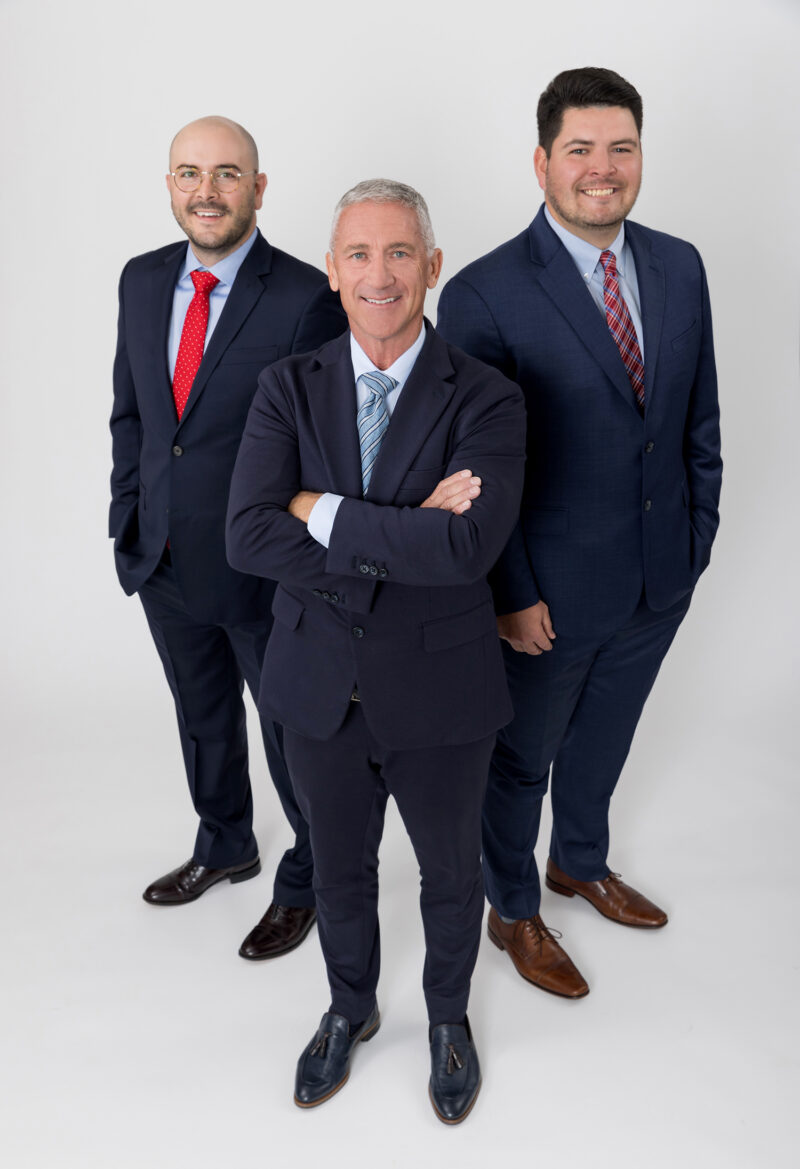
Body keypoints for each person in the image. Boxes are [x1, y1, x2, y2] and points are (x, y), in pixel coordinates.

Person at [226, 180, 525, 1123]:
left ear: (432, 267)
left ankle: (446, 1019)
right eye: (359, 254)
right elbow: (246, 535)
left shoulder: (489, 396)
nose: (380, 273)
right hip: (317, 686)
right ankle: (348, 1008)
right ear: (332, 269)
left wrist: (324, 513)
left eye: (401, 253)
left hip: (443, 689)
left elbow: (467, 549)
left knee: (450, 873)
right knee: (341, 871)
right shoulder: (287, 385)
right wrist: (402, 531)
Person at [437, 68, 722, 996]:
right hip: (545, 596)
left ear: (641, 156)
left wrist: (695, 542)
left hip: (657, 575)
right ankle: (512, 906)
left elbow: (696, 424)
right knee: (521, 762)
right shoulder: (484, 294)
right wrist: (511, 594)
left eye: (622, 148)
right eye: (580, 151)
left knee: (607, 739)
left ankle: (580, 862)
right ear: (542, 163)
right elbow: (479, 477)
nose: (603, 169)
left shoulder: (679, 264)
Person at [109, 116, 346, 960]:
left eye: (226, 173)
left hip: (261, 572)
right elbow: (135, 418)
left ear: (258, 186)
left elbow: (328, 449)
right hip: (163, 556)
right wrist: (128, 520)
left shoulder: (302, 297)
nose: (205, 190)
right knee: (201, 713)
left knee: (290, 733)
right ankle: (225, 842)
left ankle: (309, 875)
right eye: (188, 173)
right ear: (170, 184)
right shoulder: (142, 281)